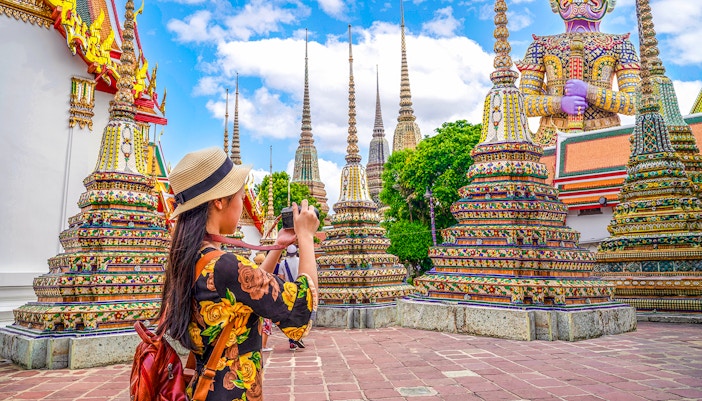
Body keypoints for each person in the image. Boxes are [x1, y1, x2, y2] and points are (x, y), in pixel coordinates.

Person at [157, 147, 319, 401]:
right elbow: (300, 306)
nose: (243, 202)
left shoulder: (189, 259)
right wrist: (307, 238)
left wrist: (276, 247)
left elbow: (244, 294)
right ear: (219, 201)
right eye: (241, 195)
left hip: (202, 389)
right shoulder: (224, 266)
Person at [516, 0, 640, 146]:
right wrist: (560, 103)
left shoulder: (620, 45)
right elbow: (521, 103)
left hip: (603, 135)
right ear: (555, 4)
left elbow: (635, 102)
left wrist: (590, 91)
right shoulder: (541, 46)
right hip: (551, 138)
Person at [281, 245, 304, 351]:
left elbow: (281, 279)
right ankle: (299, 336)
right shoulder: (300, 261)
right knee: (300, 314)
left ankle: (291, 340)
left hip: (288, 291)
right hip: (299, 290)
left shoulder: (283, 263)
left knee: (289, 316)